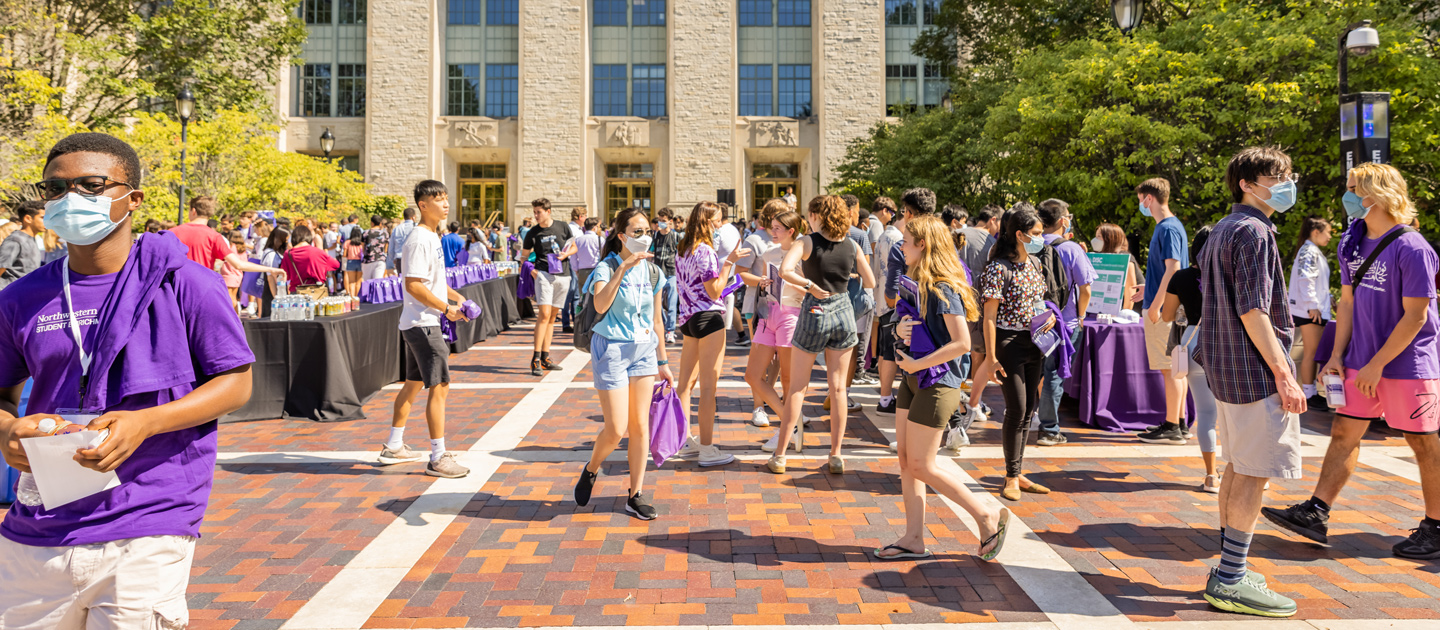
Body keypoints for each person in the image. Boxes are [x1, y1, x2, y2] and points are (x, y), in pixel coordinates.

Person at [0, 132, 255, 629]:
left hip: (149, 517)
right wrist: (6, 432)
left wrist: (146, 424)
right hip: (40, 523)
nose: (71, 199)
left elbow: (236, 382)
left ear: (131, 199)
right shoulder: (20, 298)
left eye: (92, 185)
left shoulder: (187, 283)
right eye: (55, 189)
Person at [1262, 162, 1440, 560]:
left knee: (1422, 442)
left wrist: (1377, 364)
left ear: (1375, 194)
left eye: (1352, 188)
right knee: (1344, 432)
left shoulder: (1413, 248)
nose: (1347, 196)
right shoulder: (1351, 243)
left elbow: (1416, 317)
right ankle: (1317, 511)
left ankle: (1436, 525)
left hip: (1407, 365)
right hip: (1361, 360)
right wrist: (1337, 355)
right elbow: (1346, 303)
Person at [1195, 147, 1304, 618]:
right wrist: (1284, 373)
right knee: (1253, 472)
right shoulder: (1255, 232)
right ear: (1247, 182)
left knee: (1239, 466)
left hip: (1226, 368)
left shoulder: (1223, 229)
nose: (1286, 184)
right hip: (1255, 370)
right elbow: (1253, 309)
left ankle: (1228, 571)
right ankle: (1233, 579)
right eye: (1276, 176)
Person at [874, 214, 1011, 562]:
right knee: (907, 463)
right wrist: (902, 327)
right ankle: (913, 539)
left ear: (923, 244)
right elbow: (919, 328)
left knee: (921, 464)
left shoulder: (943, 286)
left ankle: (985, 514)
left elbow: (962, 342)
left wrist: (917, 363)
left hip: (936, 383)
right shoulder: (916, 281)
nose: (900, 246)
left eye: (905, 241)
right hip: (914, 378)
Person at [572, 208, 673, 520]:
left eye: (647, 230)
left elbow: (657, 318)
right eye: (637, 231)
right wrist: (623, 267)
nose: (644, 236)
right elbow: (601, 304)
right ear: (621, 236)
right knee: (616, 428)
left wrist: (663, 361)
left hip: (643, 349)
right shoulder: (607, 266)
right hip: (612, 348)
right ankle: (591, 469)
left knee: (640, 425)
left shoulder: (655, 273)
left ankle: (635, 493)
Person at [765, 195, 876, 474]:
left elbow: (785, 270)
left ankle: (780, 455)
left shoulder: (806, 241)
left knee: (798, 388)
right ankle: (836, 454)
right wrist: (847, 275)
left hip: (815, 308)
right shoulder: (851, 244)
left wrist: (810, 285)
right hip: (843, 310)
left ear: (817, 215)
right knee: (838, 388)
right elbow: (871, 281)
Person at [377, 180, 472, 478]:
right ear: (423, 205)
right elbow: (414, 285)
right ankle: (438, 457)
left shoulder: (432, 236)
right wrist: (446, 309)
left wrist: (457, 298)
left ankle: (394, 445)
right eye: (439, 199)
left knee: (413, 383)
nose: (445, 204)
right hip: (423, 324)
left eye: (446, 198)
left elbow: (432, 280)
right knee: (440, 386)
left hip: (418, 322)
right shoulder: (420, 238)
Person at [976, 204, 1054, 501]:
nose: (1040, 238)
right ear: (1019, 235)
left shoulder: (1034, 263)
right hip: (1009, 343)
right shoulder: (998, 268)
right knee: (1017, 408)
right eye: (1035, 233)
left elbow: (1040, 301)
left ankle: (1018, 471)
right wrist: (992, 357)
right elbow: (989, 317)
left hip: (1036, 341)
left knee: (1029, 407)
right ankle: (1010, 475)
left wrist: (1048, 315)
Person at [673, 201, 749, 468]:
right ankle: (706, 448)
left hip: (689, 319)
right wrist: (729, 263)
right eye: (717, 220)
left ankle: (685, 442)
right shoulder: (705, 251)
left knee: (685, 386)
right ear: (706, 222)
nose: (720, 225)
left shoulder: (682, 249)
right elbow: (714, 290)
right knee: (707, 388)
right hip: (708, 318)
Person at [750, 209, 819, 450]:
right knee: (752, 375)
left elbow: (813, 291)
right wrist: (764, 282)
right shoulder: (769, 252)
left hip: (792, 314)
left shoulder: (803, 255)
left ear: (791, 231)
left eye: (778, 228)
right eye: (771, 227)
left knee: (789, 380)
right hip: (769, 311)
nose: (772, 232)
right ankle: (791, 422)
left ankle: (787, 431)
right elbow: (760, 278)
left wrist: (791, 283)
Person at [1159, 225, 1222, 493]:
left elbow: (1167, 316)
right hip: (1225, 344)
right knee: (1232, 414)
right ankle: (1242, 472)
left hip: (1193, 343)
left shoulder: (1181, 277)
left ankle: (1211, 476)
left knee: (1206, 414)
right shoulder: (1229, 275)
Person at [1134, 178, 1191, 445]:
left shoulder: (1167, 228)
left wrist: (1156, 305)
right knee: (1176, 369)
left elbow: (1173, 268)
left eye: (1141, 199)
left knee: (1170, 369)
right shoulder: (1173, 226)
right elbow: (1169, 271)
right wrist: (1148, 289)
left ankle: (1172, 426)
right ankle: (1178, 423)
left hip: (1166, 310)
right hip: (1173, 306)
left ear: (1149, 198)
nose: (1141, 205)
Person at [1035, 199, 1096, 446]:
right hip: (1065, 322)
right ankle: (1049, 428)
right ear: (1063, 220)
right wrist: (1080, 316)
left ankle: (1030, 417)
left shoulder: (1031, 244)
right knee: (1054, 375)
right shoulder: (1071, 249)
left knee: (1034, 372)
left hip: (1035, 320)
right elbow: (1086, 289)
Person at [737, 200, 783, 425]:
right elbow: (741, 273)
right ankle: (758, 406)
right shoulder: (754, 239)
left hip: (784, 307)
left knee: (778, 359)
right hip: (757, 306)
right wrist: (763, 281)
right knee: (760, 358)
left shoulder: (787, 239)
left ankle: (768, 397)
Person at [519, 198, 577, 376]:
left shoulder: (562, 226)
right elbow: (523, 256)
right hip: (543, 274)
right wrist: (532, 271)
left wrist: (566, 253)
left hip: (563, 274)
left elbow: (574, 246)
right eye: (535, 212)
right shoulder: (532, 233)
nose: (536, 215)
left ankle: (546, 356)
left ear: (548, 211)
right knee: (543, 315)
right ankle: (535, 358)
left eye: (539, 212)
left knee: (552, 317)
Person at [170, 196, 285, 279]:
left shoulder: (172, 233)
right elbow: (238, 264)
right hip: (202, 285)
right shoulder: (214, 236)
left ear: (193, 211)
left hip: (176, 285)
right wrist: (270, 269)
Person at [1288, 216, 1334, 410]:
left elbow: (1316, 282)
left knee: (1313, 352)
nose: (1330, 236)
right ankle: (1309, 394)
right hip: (1310, 311)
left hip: (1313, 309)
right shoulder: (1309, 251)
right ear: (1316, 232)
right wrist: (1312, 305)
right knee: (1311, 352)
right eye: (1328, 232)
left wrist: (1328, 300)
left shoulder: (1311, 251)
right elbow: (1305, 279)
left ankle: (1311, 392)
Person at [871, 196, 904, 416]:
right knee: (891, 352)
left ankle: (885, 397)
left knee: (885, 351)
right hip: (892, 303)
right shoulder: (897, 238)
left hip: (882, 302)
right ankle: (885, 399)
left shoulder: (884, 235)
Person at [650, 207, 683, 344]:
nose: (660, 223)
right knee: (656, 304)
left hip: (671, 273)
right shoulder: (656, 236)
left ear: (670, 221)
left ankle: (670, 331)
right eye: (659, 220)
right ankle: (662, 325)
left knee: (671, 304)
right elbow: (651, 252)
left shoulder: (676, 236)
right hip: (658, 273)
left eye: (663, 221)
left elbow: (681, 254)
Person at [1093, 223, 1142, 311]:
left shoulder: (1125, 258)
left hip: (1134, 311)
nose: (1095, 240)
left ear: (1109, 239)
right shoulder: (1103, 257)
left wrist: (1126, 313)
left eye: (1099, 236)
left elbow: (1130, 289)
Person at [0, 201, 46, 289]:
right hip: (10, 294)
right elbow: (1, 267)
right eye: (42, 217)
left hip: (24, 294)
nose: (46, 221)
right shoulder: (15, 239)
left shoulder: (31, 238)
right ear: (28, 218)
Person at [561, 207, 588, 332]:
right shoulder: (572, 229)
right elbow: (568, 248)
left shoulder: (578, 229)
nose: (586, 218)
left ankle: (576, 321)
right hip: (572, 264)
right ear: (580, 217)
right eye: (585, 216)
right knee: (569, 293)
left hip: (577, 264)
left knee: (576, 294)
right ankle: (566, 323)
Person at [571, 217, 602, 290]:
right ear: (595, 228)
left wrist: (576, 270)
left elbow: (573, 257)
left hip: (582, 271)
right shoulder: (600, 239)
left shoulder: (578, 240)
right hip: (596, 269)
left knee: (583, 295)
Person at [219, 230, 247, 312]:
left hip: (228, 273)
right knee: (234, 297)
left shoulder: (230, 247)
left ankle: (232, 317)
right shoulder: (242, 248)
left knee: (229, 298)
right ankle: (236, 317)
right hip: (238, 274)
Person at [388, 206, 418, 274]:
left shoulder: (396, 229)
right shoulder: (417, 227)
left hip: (399, 259)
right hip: (414, 258)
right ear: (414, 217)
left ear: (404, 217)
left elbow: (391, 247)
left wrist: (392, 259)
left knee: (402, 280)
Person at [360, 215, 389, 280]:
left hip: (368, 260)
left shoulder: (365, 233)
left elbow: (363, 247)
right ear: (380, 223)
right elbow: (386, 247)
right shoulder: (384, 233)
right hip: (380, 259)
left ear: (372, 223)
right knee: (377, 283)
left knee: (367, 282)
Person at [342, 231, 364, 297]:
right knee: (358, 281)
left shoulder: (348, 242)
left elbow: (344, 254)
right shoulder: (361, 243)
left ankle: (352, 298)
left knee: (351, 282)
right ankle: (358, 298)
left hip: (350, 262)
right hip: (360, 262)